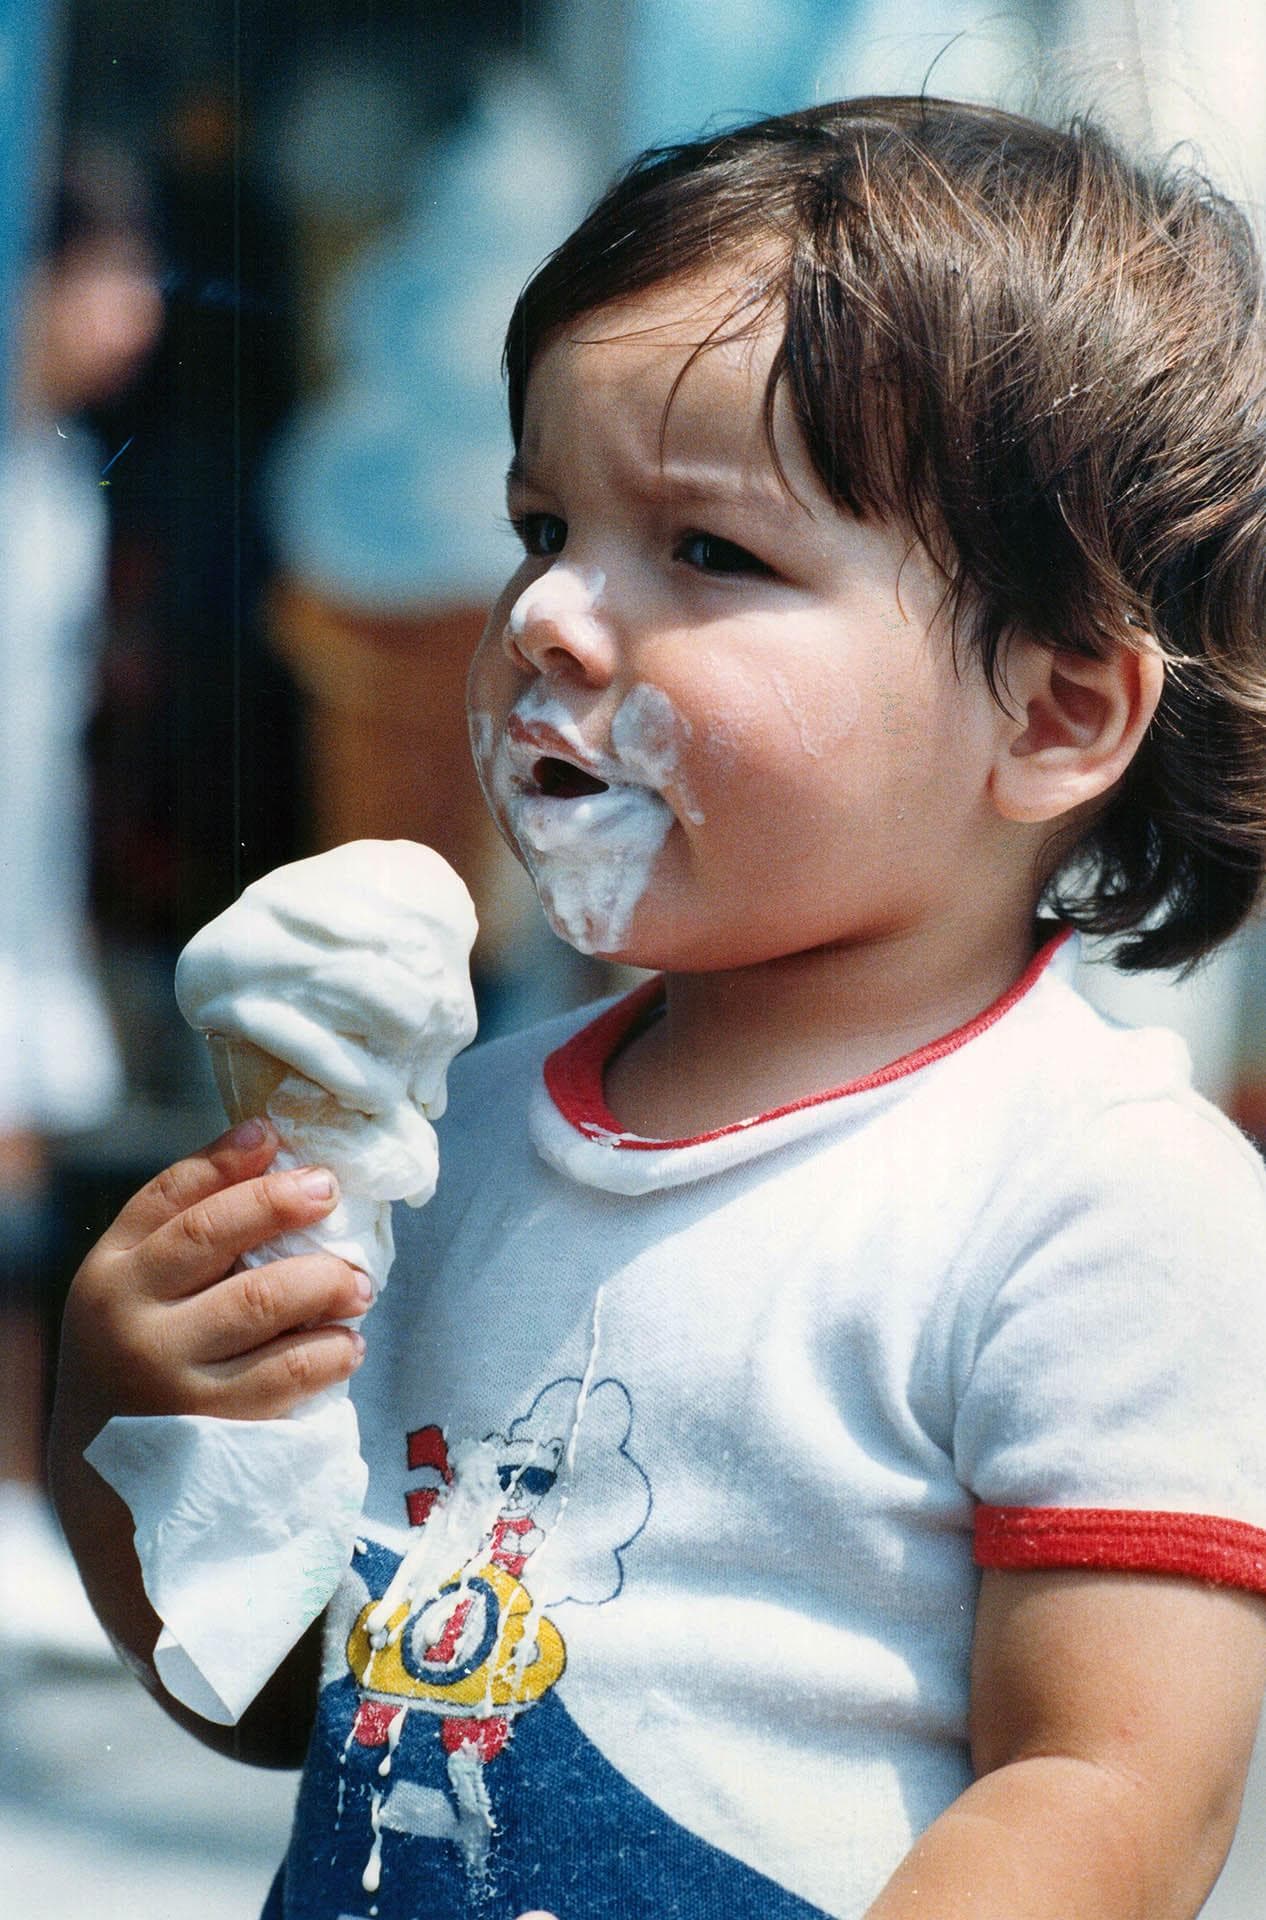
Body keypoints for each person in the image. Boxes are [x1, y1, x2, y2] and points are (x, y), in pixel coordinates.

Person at [50, 96, 1266, 1919]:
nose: (546, 612)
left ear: (1051, 713)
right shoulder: (446, 1144)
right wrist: (136, 1418)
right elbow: (285, 1696)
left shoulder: (1098, 1197)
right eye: (542, 523)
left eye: (709, 550)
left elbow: (1108, 1793)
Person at [0, 143, 160, 1661]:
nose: (139, 308)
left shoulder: (58, 470)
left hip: (26, 904)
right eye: (107, 271)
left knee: (21, 1197)